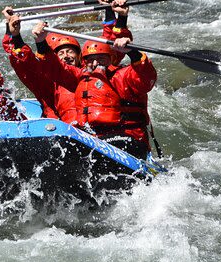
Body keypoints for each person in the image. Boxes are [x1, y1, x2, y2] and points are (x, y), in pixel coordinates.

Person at [31, 20, 157, 160]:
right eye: (91, 60)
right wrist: (41, 42)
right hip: (96, 140)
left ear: (112, 58)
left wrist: (133, 52)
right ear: (84, 61)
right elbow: (55, 69)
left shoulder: (125, 75)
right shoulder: (81, 77)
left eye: (101, 58)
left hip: (128, 138)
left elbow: (146, 78)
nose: (95, 63)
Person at [1, 0, 132, 123]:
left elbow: (110, 48)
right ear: (53, 58)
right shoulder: (49, 81)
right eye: (61, 53)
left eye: (70, 51)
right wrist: (14, 34)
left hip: (95, 129)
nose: (66, 56)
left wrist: (112, 12)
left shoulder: (92, 72)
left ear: (80, 57)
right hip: (62, 130)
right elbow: (25, 65)